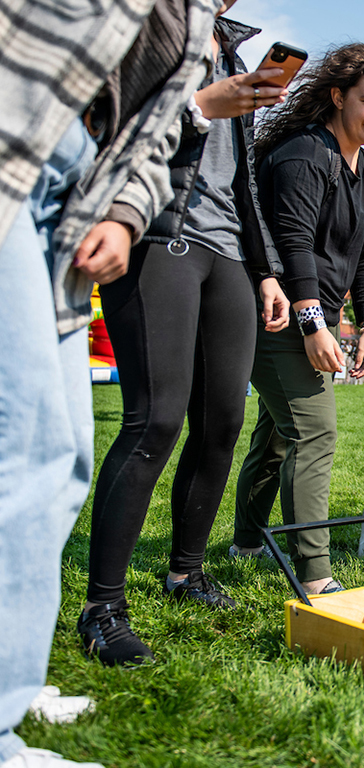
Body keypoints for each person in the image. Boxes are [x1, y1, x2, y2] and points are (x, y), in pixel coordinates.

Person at [0, 0, 219, 763]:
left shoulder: (199, 27)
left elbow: (153, 137)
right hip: (13, 149)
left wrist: (125, 213)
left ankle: (13, 684)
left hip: (69, 196)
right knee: (23, 451)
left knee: (57, 459)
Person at [79, 6, 292, 667]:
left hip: (227, 251)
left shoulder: (231, 49)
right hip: (152, 231)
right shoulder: (142, 26)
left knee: (223, 421)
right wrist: (204, 103)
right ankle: (103, 609)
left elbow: (246, 181)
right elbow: (107, 128)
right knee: (155, 420)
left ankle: (186, 572)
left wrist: (265, 271)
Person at [232, 43, 364, 595]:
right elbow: (295, 245)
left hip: (318, 313)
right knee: (315, 431)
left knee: (280, 435)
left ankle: (249, 541)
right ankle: (315, 574)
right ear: (337, 96)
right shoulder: (304, 154)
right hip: (275, 310)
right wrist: (313, 324)